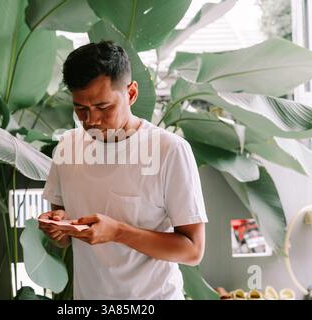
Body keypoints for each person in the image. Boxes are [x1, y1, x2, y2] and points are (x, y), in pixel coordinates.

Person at [38, 40, 208, 300]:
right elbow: (63, 238)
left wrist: (118, 232)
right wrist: (59, 228)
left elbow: (193, 251)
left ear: (130, 94)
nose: (91, 119)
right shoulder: (67, 146)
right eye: (80, 109)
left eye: (103, 107)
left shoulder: (169, 150)